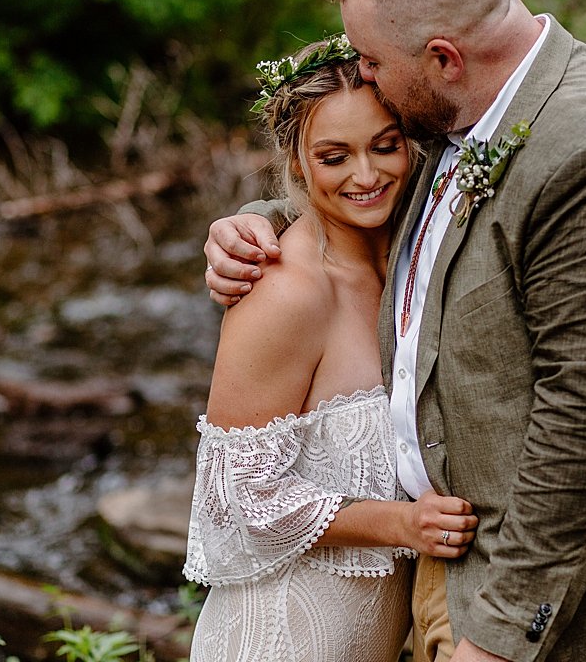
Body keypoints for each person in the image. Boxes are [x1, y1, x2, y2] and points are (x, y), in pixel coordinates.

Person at [205, 0, 586, 662]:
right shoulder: (459, 116)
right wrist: (255, 224)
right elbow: (361, 195)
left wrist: (493, 641)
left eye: (369, 61)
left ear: (443, 57)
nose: (365, 79)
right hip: (445, 585)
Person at [183, 35, 479, 662]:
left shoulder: (414, 266)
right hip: (281, 637)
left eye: (384, 146)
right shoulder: (285, 292)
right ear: (297, 163)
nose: (366, 176)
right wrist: (401, 524)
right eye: (335, 155)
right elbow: (238, 498)